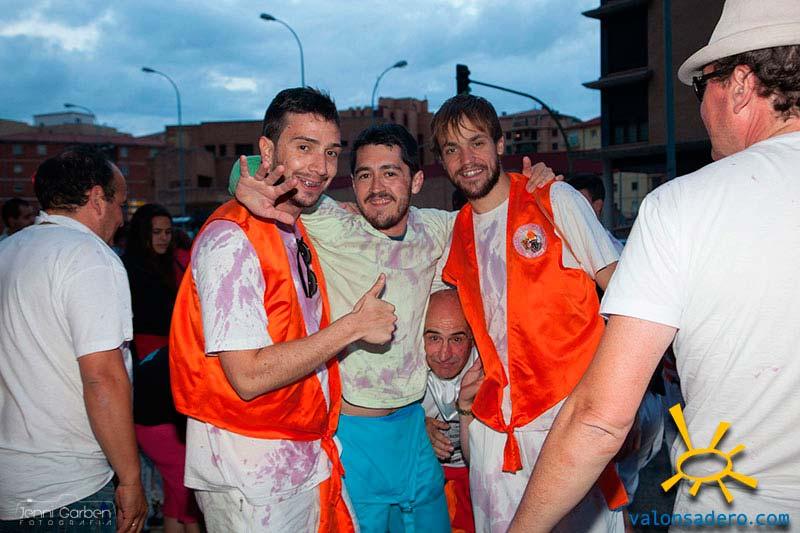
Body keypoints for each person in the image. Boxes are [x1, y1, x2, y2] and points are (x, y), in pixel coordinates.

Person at [509, 1, 800, 529]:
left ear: (740, 85)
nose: (701, 107)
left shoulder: (681, 207)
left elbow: (600, 419)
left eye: (701, 86)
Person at [232, 122, 555, 532]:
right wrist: (241, 184)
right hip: (351, 434)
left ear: (416, 181)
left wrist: (538, 183)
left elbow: (500, 211)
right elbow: (257, 168)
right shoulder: (329, 221)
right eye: (365, 175)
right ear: (352, 183)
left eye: (390, 173)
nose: (376, 187)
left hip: (414, 430)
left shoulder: (439, 228)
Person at [170, 87, 397, 532]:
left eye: (331, 152)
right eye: (304, 147)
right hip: (250, 472)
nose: (320, 167)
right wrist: (352, 327)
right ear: (268, 151)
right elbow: (248, 376)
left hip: (301, 457)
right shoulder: (232, 240)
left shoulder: (291, 226)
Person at [430, 94, 627, 532]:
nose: (467, 160)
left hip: (565, 418)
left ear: (500, 144)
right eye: (452, 149)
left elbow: (624, 291)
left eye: (477, 142)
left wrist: (616, 394)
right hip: (494, 431)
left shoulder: (552, 199)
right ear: (442, 161)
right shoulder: (457, 229)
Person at [0, 146, 147, 532]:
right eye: (121, 203)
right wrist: (131, 479)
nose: (122, 217)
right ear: (98, 199)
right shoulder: (90, 257)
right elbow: (103, 377)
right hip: (68, 485)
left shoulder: (8, 250)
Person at [123, 203, 201, 533]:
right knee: (183, 480)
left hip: (177, 376)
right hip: (152, 388)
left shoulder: (175, 264)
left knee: (176, 487)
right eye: (156, 232)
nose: (163, 238)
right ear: (143, 233)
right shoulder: (127, 271)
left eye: (168, 232)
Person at [422, 289, 478, 533]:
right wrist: (414, 425)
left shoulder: (491, 368)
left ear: (472, 338)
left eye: (456, 339)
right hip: (424, 477)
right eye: (434, 338)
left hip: (477, 479)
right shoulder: (400, 369)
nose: (444, 354)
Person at [566, 174, 623, 253]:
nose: (571, 208)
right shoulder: (565, 242)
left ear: (597, 205)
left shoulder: (613, 250)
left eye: (579, 202)